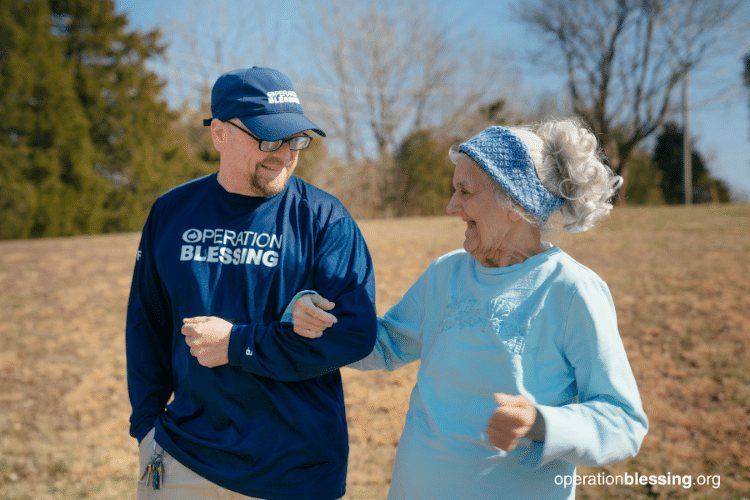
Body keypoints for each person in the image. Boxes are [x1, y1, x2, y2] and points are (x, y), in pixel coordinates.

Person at [289, 119, 649, 499]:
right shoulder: (446, 274)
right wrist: (310, 317)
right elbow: (380, 345)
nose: (451, 206)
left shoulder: (571, 290)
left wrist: (543, 424)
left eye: (465, 190)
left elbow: (623, 423)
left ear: (515, 201)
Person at [125, 66, 378, 500]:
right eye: (267, 138)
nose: (283, 153)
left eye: (296, 139)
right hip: (184, 460)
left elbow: (354, 333)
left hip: (294, 471)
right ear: (219, 133)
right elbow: (147, 323)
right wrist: (147, 427)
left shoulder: (324, 219)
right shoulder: (171, 212)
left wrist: (239, 344)